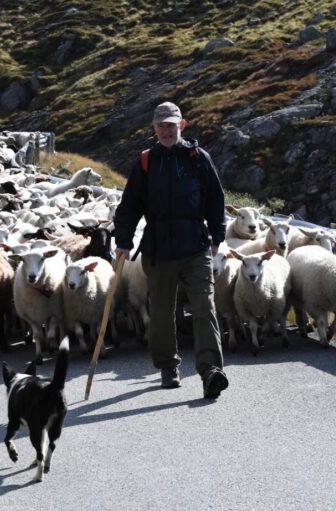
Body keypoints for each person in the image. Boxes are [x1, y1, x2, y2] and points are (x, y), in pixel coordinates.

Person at [113, 101, 229, 399]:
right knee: (163, 312)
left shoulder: (198, 159)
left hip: (195, 245)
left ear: (182, 125)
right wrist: (123, 241)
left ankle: (211, 371)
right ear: (154, 128)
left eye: (171, 125)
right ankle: (168, 365)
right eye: (161, 126)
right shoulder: (145, 162)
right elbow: (130, 207)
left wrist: (218, 236)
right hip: (159, 247)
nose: (167, 131)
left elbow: (216, 200)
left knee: (205, 308)